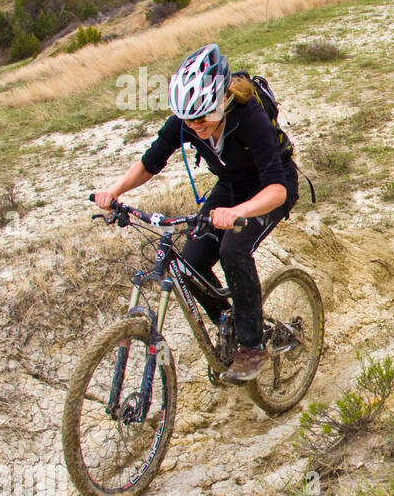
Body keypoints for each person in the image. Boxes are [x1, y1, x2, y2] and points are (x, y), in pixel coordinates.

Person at [93, 43, 298, 383]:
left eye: (203, 117)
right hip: (231, 187)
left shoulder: (249, 116)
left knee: (233, 249)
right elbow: (150, 162)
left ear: (222, 99)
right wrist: (114, 192)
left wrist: (238, 212)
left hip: (269, 189)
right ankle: (230, 324)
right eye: (189, 120)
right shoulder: (187, 121)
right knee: (190, 263)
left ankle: (251, 344)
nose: (196, 126)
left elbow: (277, 189)